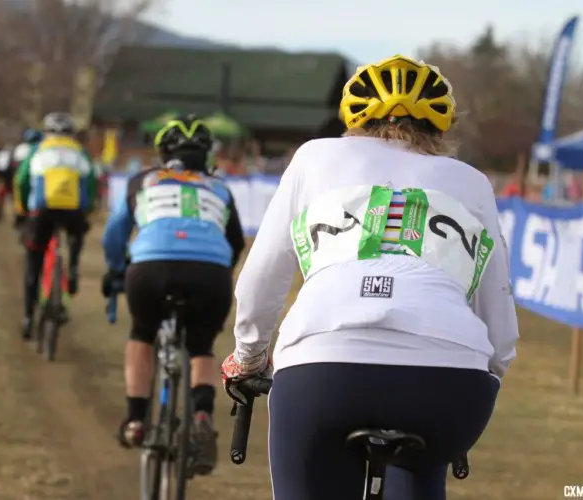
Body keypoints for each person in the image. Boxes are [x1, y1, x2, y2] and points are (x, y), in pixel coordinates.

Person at [220, 54, 519, 500]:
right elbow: (501, 331)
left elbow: (260, 279)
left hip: (322, 369)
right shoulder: (472, 182)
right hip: (447, 386)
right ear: (441, 128)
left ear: (353, 121)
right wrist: (480, 372)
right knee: (423, 467)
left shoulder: (314, 157)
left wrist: (248, 356)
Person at [101, 115, 245, 475]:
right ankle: (201, 415)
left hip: (151, 266)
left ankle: (135, 420)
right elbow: (237, 241)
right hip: (209, 271)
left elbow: (115, 234)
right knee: (201, 346)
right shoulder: (219, 188)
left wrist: (116, 270)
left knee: (142, 333)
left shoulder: (142, 180)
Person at [13, 112, 97, 340]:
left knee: (33, 262)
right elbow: (92, 182)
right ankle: (73, 267)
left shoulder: (38, 149)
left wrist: (21, 210)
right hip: (73, 210)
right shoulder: (80, 152)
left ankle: (28, 316)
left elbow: (21, 180)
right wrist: (88, 210)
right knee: (76, 235)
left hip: (42, 210)